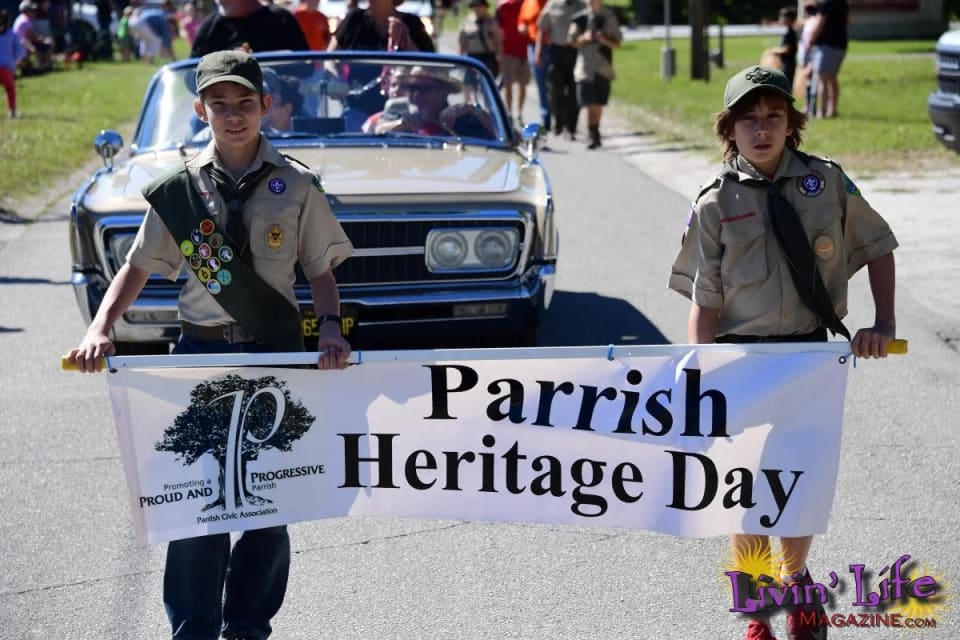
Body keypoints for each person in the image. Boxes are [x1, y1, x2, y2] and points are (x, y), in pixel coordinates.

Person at [66, 50, 354, 640]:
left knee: (271, 508)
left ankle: (248, 626)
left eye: (245, 103)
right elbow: (138, 267)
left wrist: (328, 326)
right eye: (218, 105)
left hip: (275, 357)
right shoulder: (180, 194)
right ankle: (193, 629)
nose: (233, 115)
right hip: (200, 357)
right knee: (198, 508)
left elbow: (320, 268)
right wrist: (100, 327)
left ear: (266, 107)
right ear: (200, 110)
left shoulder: (295, 185)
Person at [667, 64, 898, 640]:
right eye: (749, 120)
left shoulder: (826, 181)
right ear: (730, 130)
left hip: (807, 359)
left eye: (774, 117)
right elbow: (705, 301)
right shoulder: (716, 201)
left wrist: (883, 322)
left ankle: (797, 588)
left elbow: (877, 246)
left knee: (798, 482)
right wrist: (702, 373)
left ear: (791, 124)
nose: (762, 129)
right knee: (743, 493)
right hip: (741, 363)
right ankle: (756, 613)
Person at [568, 0, 619, 149]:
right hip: (584, 68)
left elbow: (617, 43)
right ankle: (592, 133)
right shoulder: (579, 18)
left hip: (603, 68)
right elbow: (571, 41)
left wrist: (603, 39)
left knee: (598, 103)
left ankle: (595, 130)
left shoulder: (609, 17)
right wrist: (584, 39)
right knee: (588, 102)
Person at [535, 0, 585, 139]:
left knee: (574, 91)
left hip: (575, 52)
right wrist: (538, 51)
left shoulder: (582, 6)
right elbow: (542, 28)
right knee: (555, 90)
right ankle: (558, 121)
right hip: (556, 51)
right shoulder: (553, 4)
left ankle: (571, 128)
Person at [190, 0, 309, 57]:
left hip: (279, 104)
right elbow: (191, 76)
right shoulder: (210, 27)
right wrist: (225, 63)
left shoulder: (281, 19)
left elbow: (306, 66)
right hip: (228, 105)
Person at [327, 0, 435, 53]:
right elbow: (329, 58)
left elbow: (429, 68)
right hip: (355, 95)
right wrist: (334, 78)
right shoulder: (354, 19)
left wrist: (406, 39)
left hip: (400, 96)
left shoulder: (411, 23)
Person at [807, 0, 848, 118]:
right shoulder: (843, 3)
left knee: (822, 79)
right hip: (841, 44)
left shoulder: (825, 4)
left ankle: (822, 111)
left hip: (826, 46)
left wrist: (811, 40)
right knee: (832, 78)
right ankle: (832, 110)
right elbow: (848, 21)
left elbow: (820, 23)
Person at [495, 0, 529, 127]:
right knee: (508, 83)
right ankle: (509, 113)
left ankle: (519, 114)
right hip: (508, 50)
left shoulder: (527, 4)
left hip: (524, 50)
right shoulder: (503, 6)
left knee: (523, 84)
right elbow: (497, 26)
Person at [517, 0, 549, 129]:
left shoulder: (551, 3)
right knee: (541, 82)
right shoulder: (528, 3)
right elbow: (521, 20)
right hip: (533, 44)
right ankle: (546, 116)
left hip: (551, 46)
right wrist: (522, 27)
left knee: (553, 83)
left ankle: (557, 115)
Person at [458, 0, 501, 79]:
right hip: (472, 56)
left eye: (480, 6)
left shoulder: (492, 22)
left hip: (488, 57)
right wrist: (460, 59)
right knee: (469, 83)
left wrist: (500, 58)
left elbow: (498, 42)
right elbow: (462, 43)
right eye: (475, 7)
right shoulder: (467, 22)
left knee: (488, 81)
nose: (477, 9)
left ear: (485, 7)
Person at [12, 1, 52, 73]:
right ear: (26, 11)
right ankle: (41, 67)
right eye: (31, 10)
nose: (34, 12)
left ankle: (37, 67)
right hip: (20, 44)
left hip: (20, 43)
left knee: (41, 45)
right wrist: (41, 41)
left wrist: (40, 40)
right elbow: (29, 38)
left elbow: (30, 37)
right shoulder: (25, 20)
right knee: (42, 46)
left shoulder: (22, 18)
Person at [0, 9, 26, 117]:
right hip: (6, 68)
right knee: (10, 89)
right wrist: (17, 60)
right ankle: (12, 110)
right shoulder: (13, 35)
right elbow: (21, 51)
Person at [797, 2, 818, 115]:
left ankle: (811, 107)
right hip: (806, 54)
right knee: (807, 80)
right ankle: (808, 105)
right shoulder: (810, 21)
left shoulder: (813, 22)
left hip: (811, 55)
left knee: (811, 80)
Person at [770, 6, 798, 88]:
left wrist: (774, 51)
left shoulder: (789, 33)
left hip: (788, 64)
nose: (780, 19)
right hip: (786, 63)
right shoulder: (789, 31)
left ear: (789, 19)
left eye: (782, 17)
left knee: (786, 86)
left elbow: (787, 50)